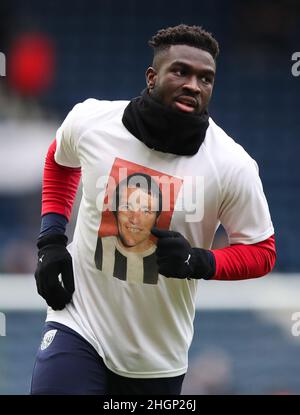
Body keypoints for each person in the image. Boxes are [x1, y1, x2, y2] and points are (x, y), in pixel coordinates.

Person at [31, 24, 276, 395]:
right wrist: (51, 239)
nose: (194, 84)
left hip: (156, 359)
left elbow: (263, 252)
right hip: (79, 326)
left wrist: (200, 262)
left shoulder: (232, 165)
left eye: (205, 78)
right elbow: (59, 160)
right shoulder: (92, 122)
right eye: (181, 71)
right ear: (152, 76)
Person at [94, 172, 162, 284]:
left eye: (146, 211)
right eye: (127, 207)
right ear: (115, 210)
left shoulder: (164, 259)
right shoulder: (96, 246)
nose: (134, 220)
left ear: (157, 219)